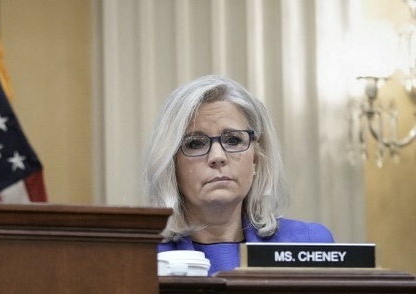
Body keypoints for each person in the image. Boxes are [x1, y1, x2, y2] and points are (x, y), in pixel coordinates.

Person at [142, 75, 333, 274]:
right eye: (195, 143)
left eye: (233, 140)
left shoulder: (310, 244)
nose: (217, 156)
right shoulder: (143, 256)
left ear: (256, 159)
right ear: (171, 165)